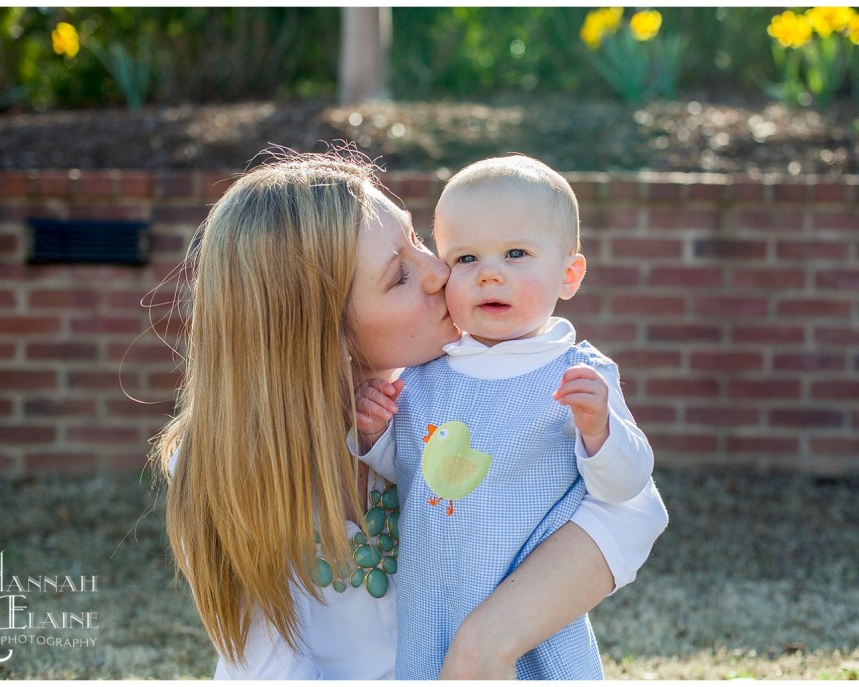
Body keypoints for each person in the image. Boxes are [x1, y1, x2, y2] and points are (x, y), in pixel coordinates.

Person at [155, 149, 668, 680]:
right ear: (319, 333)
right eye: (400, 274)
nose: (439, 271)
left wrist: (486, 640)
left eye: (418, 241)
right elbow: (268, 667)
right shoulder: (224, 467)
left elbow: (634, 510)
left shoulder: (449, 389)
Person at [353, 154, 653, 679]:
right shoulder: (425, 375)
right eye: (465, 259)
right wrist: (376, 436)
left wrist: (600, 433)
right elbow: (409, 471)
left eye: (516, 254)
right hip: (434, 601)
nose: (490, 273)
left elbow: (629, 486)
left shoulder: (579, 374)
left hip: (527, 609)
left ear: (569, 274)